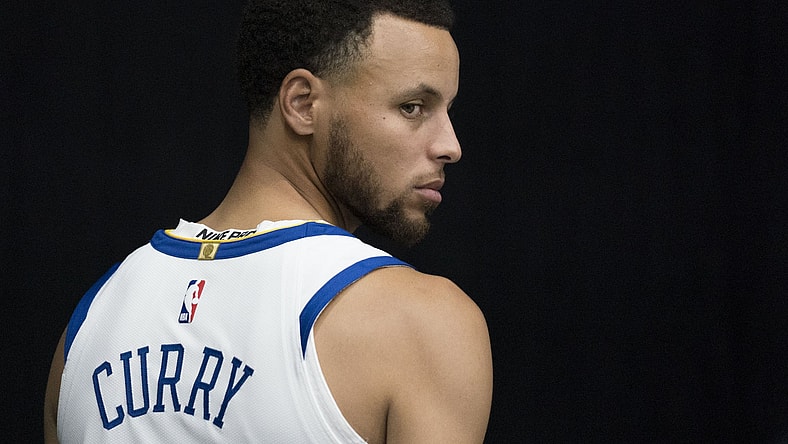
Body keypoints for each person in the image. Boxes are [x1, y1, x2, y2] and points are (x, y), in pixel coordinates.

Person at [44, 0, 493, 442]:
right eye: (413, 107)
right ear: (302, 104)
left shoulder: (90, 324)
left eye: (448, 110)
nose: (450, 146)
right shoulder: (422, 323)